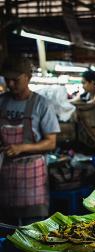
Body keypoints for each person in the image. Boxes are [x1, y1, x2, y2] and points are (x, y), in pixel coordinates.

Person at [0, 56, 60, 226]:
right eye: (7, 79)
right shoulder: (1, 102)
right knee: (6, 228)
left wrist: (22, 148)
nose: (10, 84)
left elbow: (51, 142)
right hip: (5, 176)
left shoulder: (42, 104)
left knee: (34, 228)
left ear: (28, 77)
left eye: (15, 80)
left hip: (32, 177)